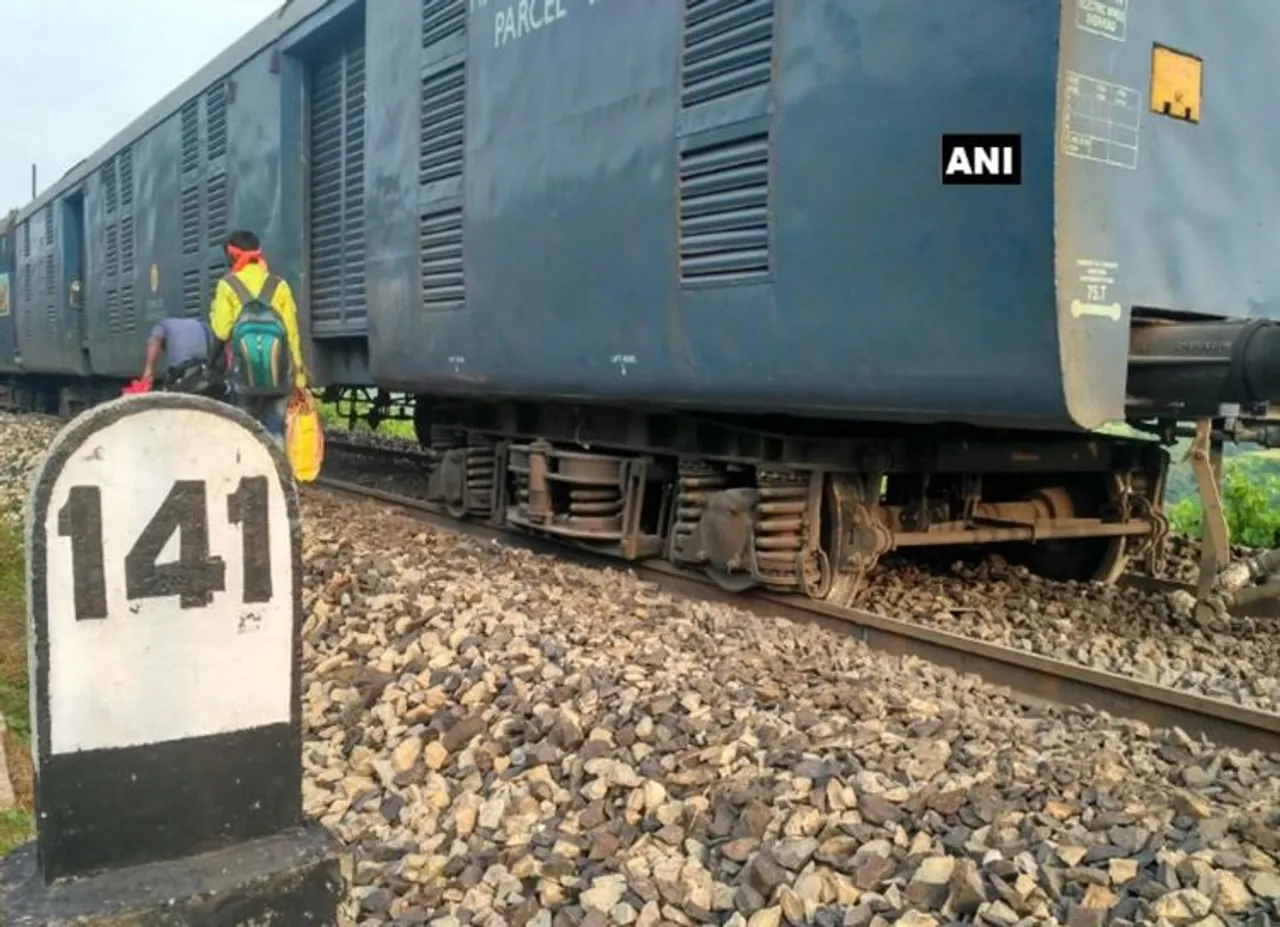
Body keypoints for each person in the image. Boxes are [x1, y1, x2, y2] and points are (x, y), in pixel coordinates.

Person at [208, 229, 307, 443]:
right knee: (277, 430)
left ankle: (249, 471)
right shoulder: (278, 285)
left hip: (244, 375)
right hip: (279, 375)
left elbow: (221, 331)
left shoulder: (227, 285)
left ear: (233, 255)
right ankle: (278, 472)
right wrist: (299, 377)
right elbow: (291, 335)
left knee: (245, 431)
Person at [124, 316, 223, 397]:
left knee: (170, 391)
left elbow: (153, 342)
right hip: (203, 368)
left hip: (182, 369)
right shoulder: (201, 324)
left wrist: (148, 373)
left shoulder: (161, 325)